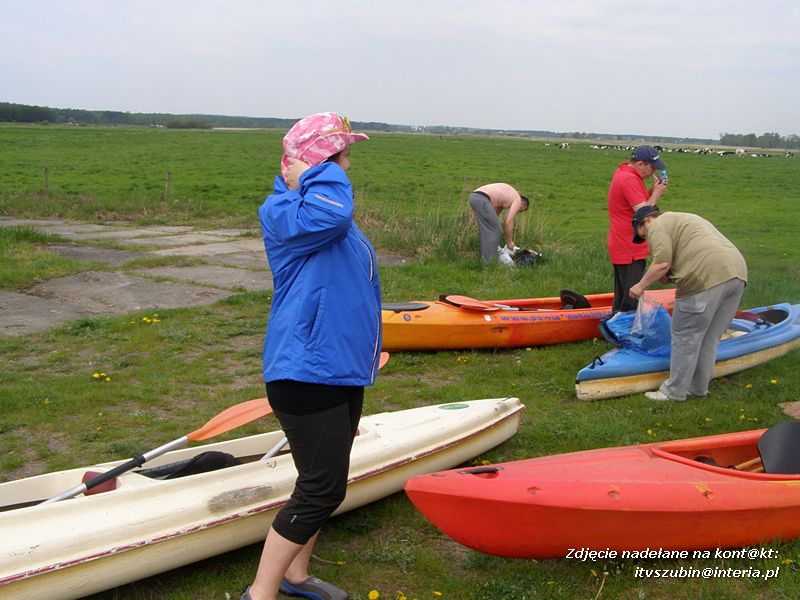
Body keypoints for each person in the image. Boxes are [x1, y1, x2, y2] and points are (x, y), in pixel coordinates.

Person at [242, 112, 382, 600]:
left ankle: (295, 576)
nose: (348, 166)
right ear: (319, 162)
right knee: (322, 488)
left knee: (323, 481)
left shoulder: (313, 202)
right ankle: (260, 592)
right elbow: (331, 216)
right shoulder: (287, 209)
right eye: (342, 156)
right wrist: (315, 172)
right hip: (305, 372)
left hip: (336, 370)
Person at [628, 206, 747, 402]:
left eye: (643, 235)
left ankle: (674, 391)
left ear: (647, 220)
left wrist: (640, 286)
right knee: (710, 337)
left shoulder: (658, 225)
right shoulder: (685, 219)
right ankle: (698, 388)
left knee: (685, 336)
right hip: (737, 273)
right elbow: (688, 255)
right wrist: (669, 276)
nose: (647, 239)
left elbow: (662, 264)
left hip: (705, 276)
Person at [607, 145, 668, 312]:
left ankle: (615, 328)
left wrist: (652, 191)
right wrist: (656, 194)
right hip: (630, 246)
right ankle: (626, 332)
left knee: (622, 294)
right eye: (652, 167)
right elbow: (643, 215)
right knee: (631, 298)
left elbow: (637, 202)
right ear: (641, 163)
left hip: (623, 243)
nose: (653, 171)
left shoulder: (626, 174)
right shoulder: (629, 179)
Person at [468, 182, 530, 264]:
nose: (520, 212)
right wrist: (509, 242)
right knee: (496, 230)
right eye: (522, 210)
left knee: (489, 231)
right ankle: (488, 262)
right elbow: (508, 222)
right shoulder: (517, 199)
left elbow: (495, 215)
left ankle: (487, 259)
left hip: (474, 197)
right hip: (482, 198)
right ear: (522, 204)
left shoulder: (507, 196)